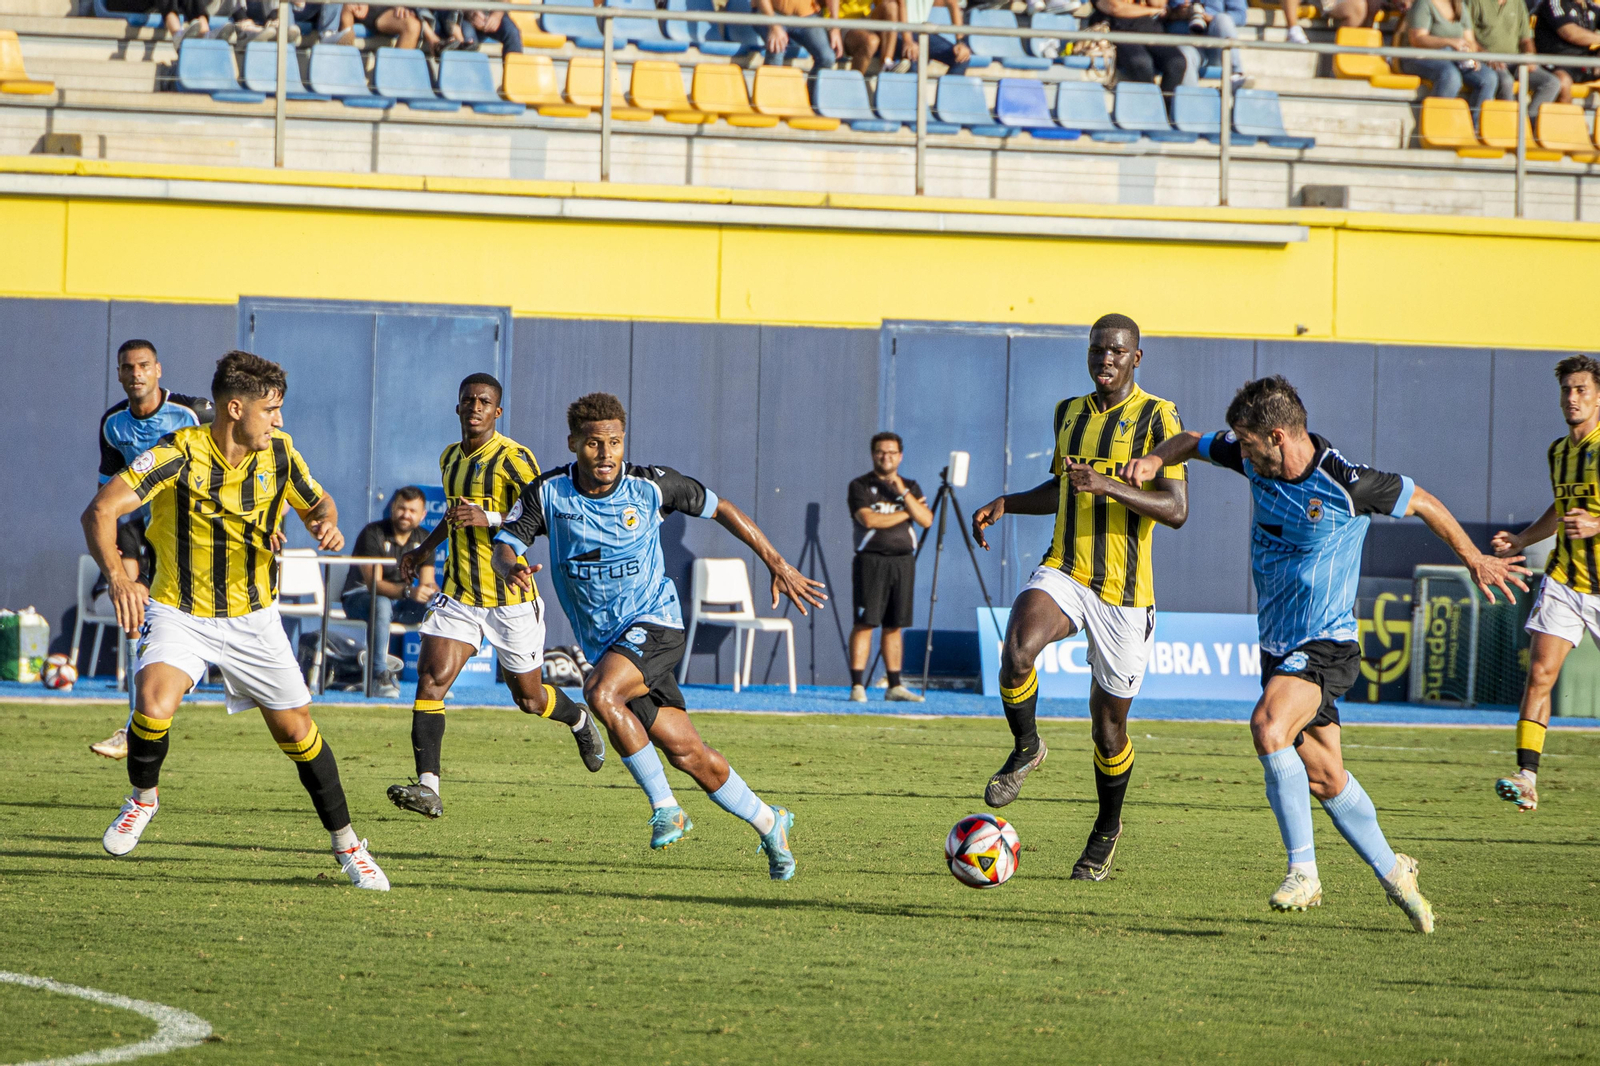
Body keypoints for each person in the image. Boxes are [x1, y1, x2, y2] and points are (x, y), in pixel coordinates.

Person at [1123, 375, 1528, 931]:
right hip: (1279, 646)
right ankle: (1396, 874)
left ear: (1278, 436)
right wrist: (1151, 460)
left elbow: (1425, 501)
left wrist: (1474, 558)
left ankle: (1304, 872)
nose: (1238, 452)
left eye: (1247, 444)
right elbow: (1192, 440)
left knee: (1269, 727)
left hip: (1327, 644)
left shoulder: (1349, 482)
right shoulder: (1251, 458)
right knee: (1324, 776)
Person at [81, 350, 389, 890]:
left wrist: (325, 525)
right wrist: (120, 577)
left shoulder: (282, 454)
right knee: (153, 707)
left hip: (254, 620)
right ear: (235, 408)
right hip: (181, 612)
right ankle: (142, 800)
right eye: (271, 410)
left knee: (298, 734)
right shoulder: (177, 453)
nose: (279, 421)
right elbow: (101, 510)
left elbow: (321, 504)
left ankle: (350, 847)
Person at [491, 392, 827, 879]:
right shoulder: (548, 494)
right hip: (608, 644)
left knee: (601, 694)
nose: (606, 453)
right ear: (573, 444)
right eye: (593, 444)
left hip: (656, 623)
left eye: (615, 442)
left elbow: (722, 508)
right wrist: (511, 567)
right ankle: (771, 822)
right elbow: (507, 543)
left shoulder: (652, 486)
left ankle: (666, 807)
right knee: (688, 753)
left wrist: (776, 562)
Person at [969, 313, 1188, 883]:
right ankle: (1027, 746)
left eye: (1117, 351)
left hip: (1125, 592)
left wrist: (1108, 484)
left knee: (1106, 728)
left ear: (1137, 357)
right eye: (1097, 350)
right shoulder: (1069, 413)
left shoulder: (1160, 418)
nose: (1105, 359)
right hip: (1065, 568)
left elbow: (1177, 510)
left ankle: (1106, 829)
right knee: (1017, 647)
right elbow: (1062, 488)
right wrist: (1008, 502)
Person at [388, 374, 604, 820]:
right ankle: (429, 788)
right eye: (468, 400)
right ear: (457, 407)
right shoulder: (450, 458)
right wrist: (422, 551)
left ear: (497, 411)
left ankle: (579, 719)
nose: (475, 407)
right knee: (431, 679)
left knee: (528, 698)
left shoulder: (514, 458)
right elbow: (454, 518)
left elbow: (545, 513)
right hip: (461, 593)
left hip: (510, 596)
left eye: (484, 401)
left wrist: (487, 515)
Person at [89, 340, 214, 762]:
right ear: (120, 375)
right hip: (140, 526)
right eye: (128, 367)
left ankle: (165, 695)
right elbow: (106, 493)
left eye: (144, 365)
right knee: (128, 603)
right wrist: (118, 574)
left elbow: (248, 452)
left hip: (190, 529)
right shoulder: (113, 424)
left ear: (159, 370)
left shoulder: (194, 413)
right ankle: (132, 726)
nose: (136, 373)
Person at [1490, 355, 1600, 813]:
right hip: (1565, 579)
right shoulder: (1559, 451)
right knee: (1539, 675)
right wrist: (1522, 538)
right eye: (1566, 390)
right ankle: (1527, 777)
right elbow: (1559, 510)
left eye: (1581, 390)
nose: (1572, 399)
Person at [847, 432, 932, 703]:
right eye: (882, 452)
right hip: (871, 560)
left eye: (892, 453)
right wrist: (909, 512)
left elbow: (926, 519)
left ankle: (894, 685)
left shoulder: (910, 486)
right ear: (873, 455)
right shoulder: (860, 486)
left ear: (900, 456)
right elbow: (869, 520)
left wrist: (903, 494)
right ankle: (858, 685)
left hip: (903, 561)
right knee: (865, 622)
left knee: (894, 625)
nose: (887, 457)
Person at [340, 486, 436, 698]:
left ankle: (434, 677)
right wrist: (410, 592)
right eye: (401, 508)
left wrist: (431, 593)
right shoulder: (373, 533)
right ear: (393, 508)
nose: (406, 515)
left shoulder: (425, 538)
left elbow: (428, 582)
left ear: (423, 515)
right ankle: (378, 676)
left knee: (438, 606)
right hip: (360, 598)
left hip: (400, 601)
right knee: (382, 602)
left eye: (412, 511)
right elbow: (374, 585)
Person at [1401, 0, 1498, 121]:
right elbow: (1417, 39)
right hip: (1419, 57)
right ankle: (1436, 125)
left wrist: (1471, 56)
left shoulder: (1460, 6)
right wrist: (1450, 42)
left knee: (1489, 78)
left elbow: (1470, 40)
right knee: (1450, 76)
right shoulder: (1423, 3)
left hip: (1454, 57)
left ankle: (1477, 129)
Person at [1466, 0, 1561, 116]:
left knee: (1551, 83)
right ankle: (1509, 123)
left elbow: (1526, 39)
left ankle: (1528, 124)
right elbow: (1467, 37)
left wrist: (1529, 56)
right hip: (1487, 60)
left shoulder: (1518, 3)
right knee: (1506, 81)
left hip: (1516, 60)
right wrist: (1487, 56)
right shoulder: (1475, 2)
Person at [1092, 0, 1189, 96]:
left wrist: (1153, 9)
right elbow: (1115, 8)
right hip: (1118, 30)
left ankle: (1166, 107)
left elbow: (1159, 4)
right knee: (1141, 62)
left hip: (1149, 28)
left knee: (1177, 62)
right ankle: (1152, 104)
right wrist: (1150, 11)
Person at [1530, 0, 1600, 104]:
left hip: (1583, 64)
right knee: (1563, 82)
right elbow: (1571, 34)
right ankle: (1566, 119)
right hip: (1556, 63)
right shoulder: (1554, 3)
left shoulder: (1592, 7)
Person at [758, 0, 843, 71]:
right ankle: (770, 90)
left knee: (827, 57)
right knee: (777, 49)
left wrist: (835, 27)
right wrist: (774, 26)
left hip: (807, 15)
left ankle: (810, 91)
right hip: (771, 13)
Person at [337, 2, 422, 48]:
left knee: (412, 26)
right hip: (361, 7)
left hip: (389, 10)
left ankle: (396, 76)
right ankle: (344, 62)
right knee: (348, 7)